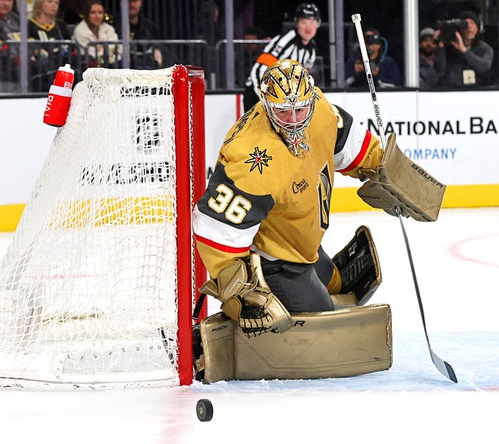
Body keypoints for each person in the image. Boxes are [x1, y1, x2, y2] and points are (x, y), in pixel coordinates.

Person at [192, 58, 385, 326]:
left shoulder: (318, 108)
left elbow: (344, 139)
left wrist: (381, 166)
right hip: (274, 258)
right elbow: (214, 226)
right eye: (283, 112)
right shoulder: (253, 159)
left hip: (301, 243)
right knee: (322, 327)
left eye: (300, 110)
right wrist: (239, 290)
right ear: (267, 105)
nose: (294, 121)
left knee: (338, 283)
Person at [242, 2, 319, 112]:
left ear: (317, 24)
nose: (308, 28)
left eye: (312, 22)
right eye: (304, 22)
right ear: (297, 23)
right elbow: (259, 70)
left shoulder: (312, 50)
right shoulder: (285, 41)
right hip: (257, 95)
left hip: (282, 102)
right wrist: (267, 99)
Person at [437, 10, 494, 87]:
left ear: (478, 28)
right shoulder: (450, 47)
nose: (469, 27)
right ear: (460, 29)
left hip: (478, 90)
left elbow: (484, 67)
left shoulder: (485, 48)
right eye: (465, 24)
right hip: (452, 90)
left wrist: (463, 50)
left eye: (472, 23)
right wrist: (441, 45)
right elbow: (439, 70)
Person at [72, 0, 119, 67]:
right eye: (93, 12)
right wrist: (105, 48)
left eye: (100, 12)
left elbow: (114, 45)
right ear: (87, 14)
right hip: (85, 65)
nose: (97, 16)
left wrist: (100, 48)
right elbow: (91, 53)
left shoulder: (108, 28)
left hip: (108, 64)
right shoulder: (80, 30)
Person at [121, 0, 163, 69]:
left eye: (134, 1)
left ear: (140, 2)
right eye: (128, 1)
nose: (131, 4)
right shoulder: (113, 27)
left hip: (148, 68)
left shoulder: (151, 27)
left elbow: (157, 49)